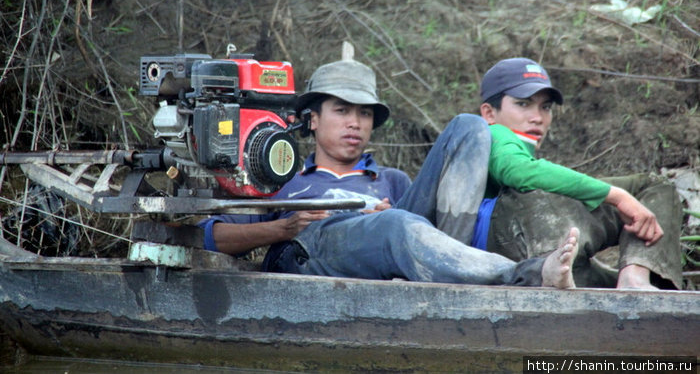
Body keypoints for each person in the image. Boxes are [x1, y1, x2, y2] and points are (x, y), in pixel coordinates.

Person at [199, 53, 580, 289]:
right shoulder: (283, 179)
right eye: (342, 111)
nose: (355, 122)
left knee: (469, 126)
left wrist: (394, 222)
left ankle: (453, 275)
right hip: (310, 253)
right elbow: (208, 236)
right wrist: (283, 228)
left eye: (364, 113)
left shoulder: (394, 181)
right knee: (395, 224)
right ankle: (527, 274)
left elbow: (412, 230)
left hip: (395, 251)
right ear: (311, 120)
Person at [477, 57, 683, 289]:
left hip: (546, 267)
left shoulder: (511, 151)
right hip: (513, 244)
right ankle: (633, 277)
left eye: (545, 107)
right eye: (523, 104)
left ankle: (632, 279)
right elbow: (518, 171)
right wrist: (618, 196)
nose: (538, 117)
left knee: (638, 285)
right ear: (489, 113)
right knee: (651, 186)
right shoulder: (492, 134)